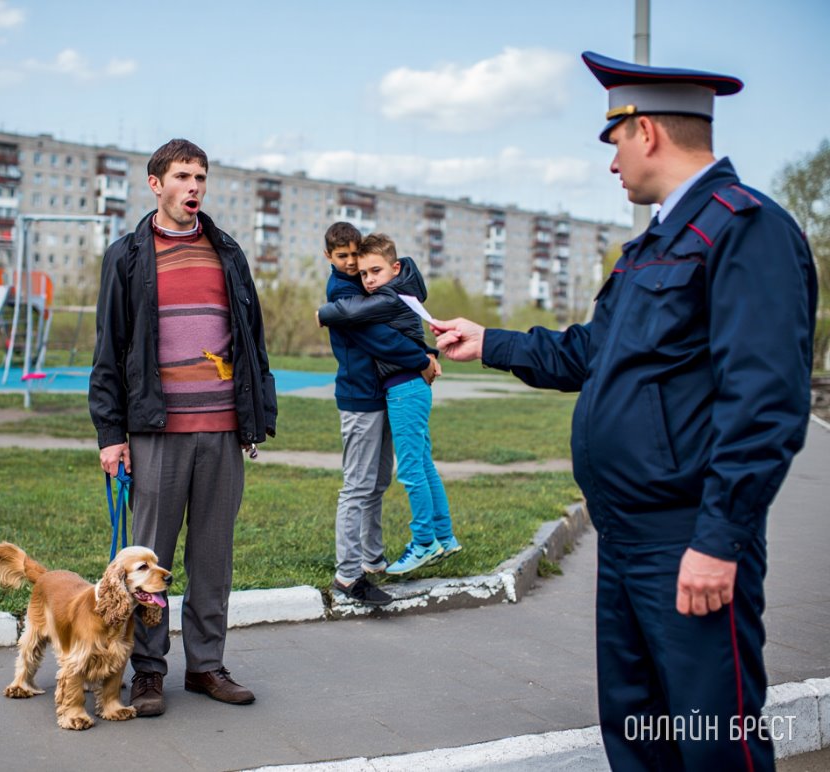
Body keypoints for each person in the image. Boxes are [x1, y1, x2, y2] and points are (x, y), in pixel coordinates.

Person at [432, 52, 816, 771]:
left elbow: (765, 403)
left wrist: (720, 538)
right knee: (640, 732)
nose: (611, 164)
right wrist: (489, 342)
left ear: (647, 133)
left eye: (613, 144)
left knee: (711, 742)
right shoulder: (654, 245)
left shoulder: (745, 228)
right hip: (629, 536)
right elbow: (592, 353)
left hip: (688, 539)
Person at [89, 138, 277, 717]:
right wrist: (111, 434)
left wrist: (255, 417)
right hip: (156, 431)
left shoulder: (228, 252)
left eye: (200, 177)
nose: (193, 187)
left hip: (221, 429)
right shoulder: (127, 255)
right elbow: (109, 350)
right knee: (149, 562)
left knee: (213, 556)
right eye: (182, 176)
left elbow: (252, 342)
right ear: (156, 184)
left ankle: (206, 667)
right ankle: (148, 672)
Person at [319, 233, 460, 575]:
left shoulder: (388, 294)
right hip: (406, 385)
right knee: (423, 465)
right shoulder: (398, 288)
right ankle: (444, 536)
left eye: (374, 271)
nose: (364, 277)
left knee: (412, 470)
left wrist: (325, 312)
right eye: (362, 272)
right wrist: (426, 355)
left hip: (403, 387)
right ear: (329, 256)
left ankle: (425, 541)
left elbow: (363, 317)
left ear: (395, 268)